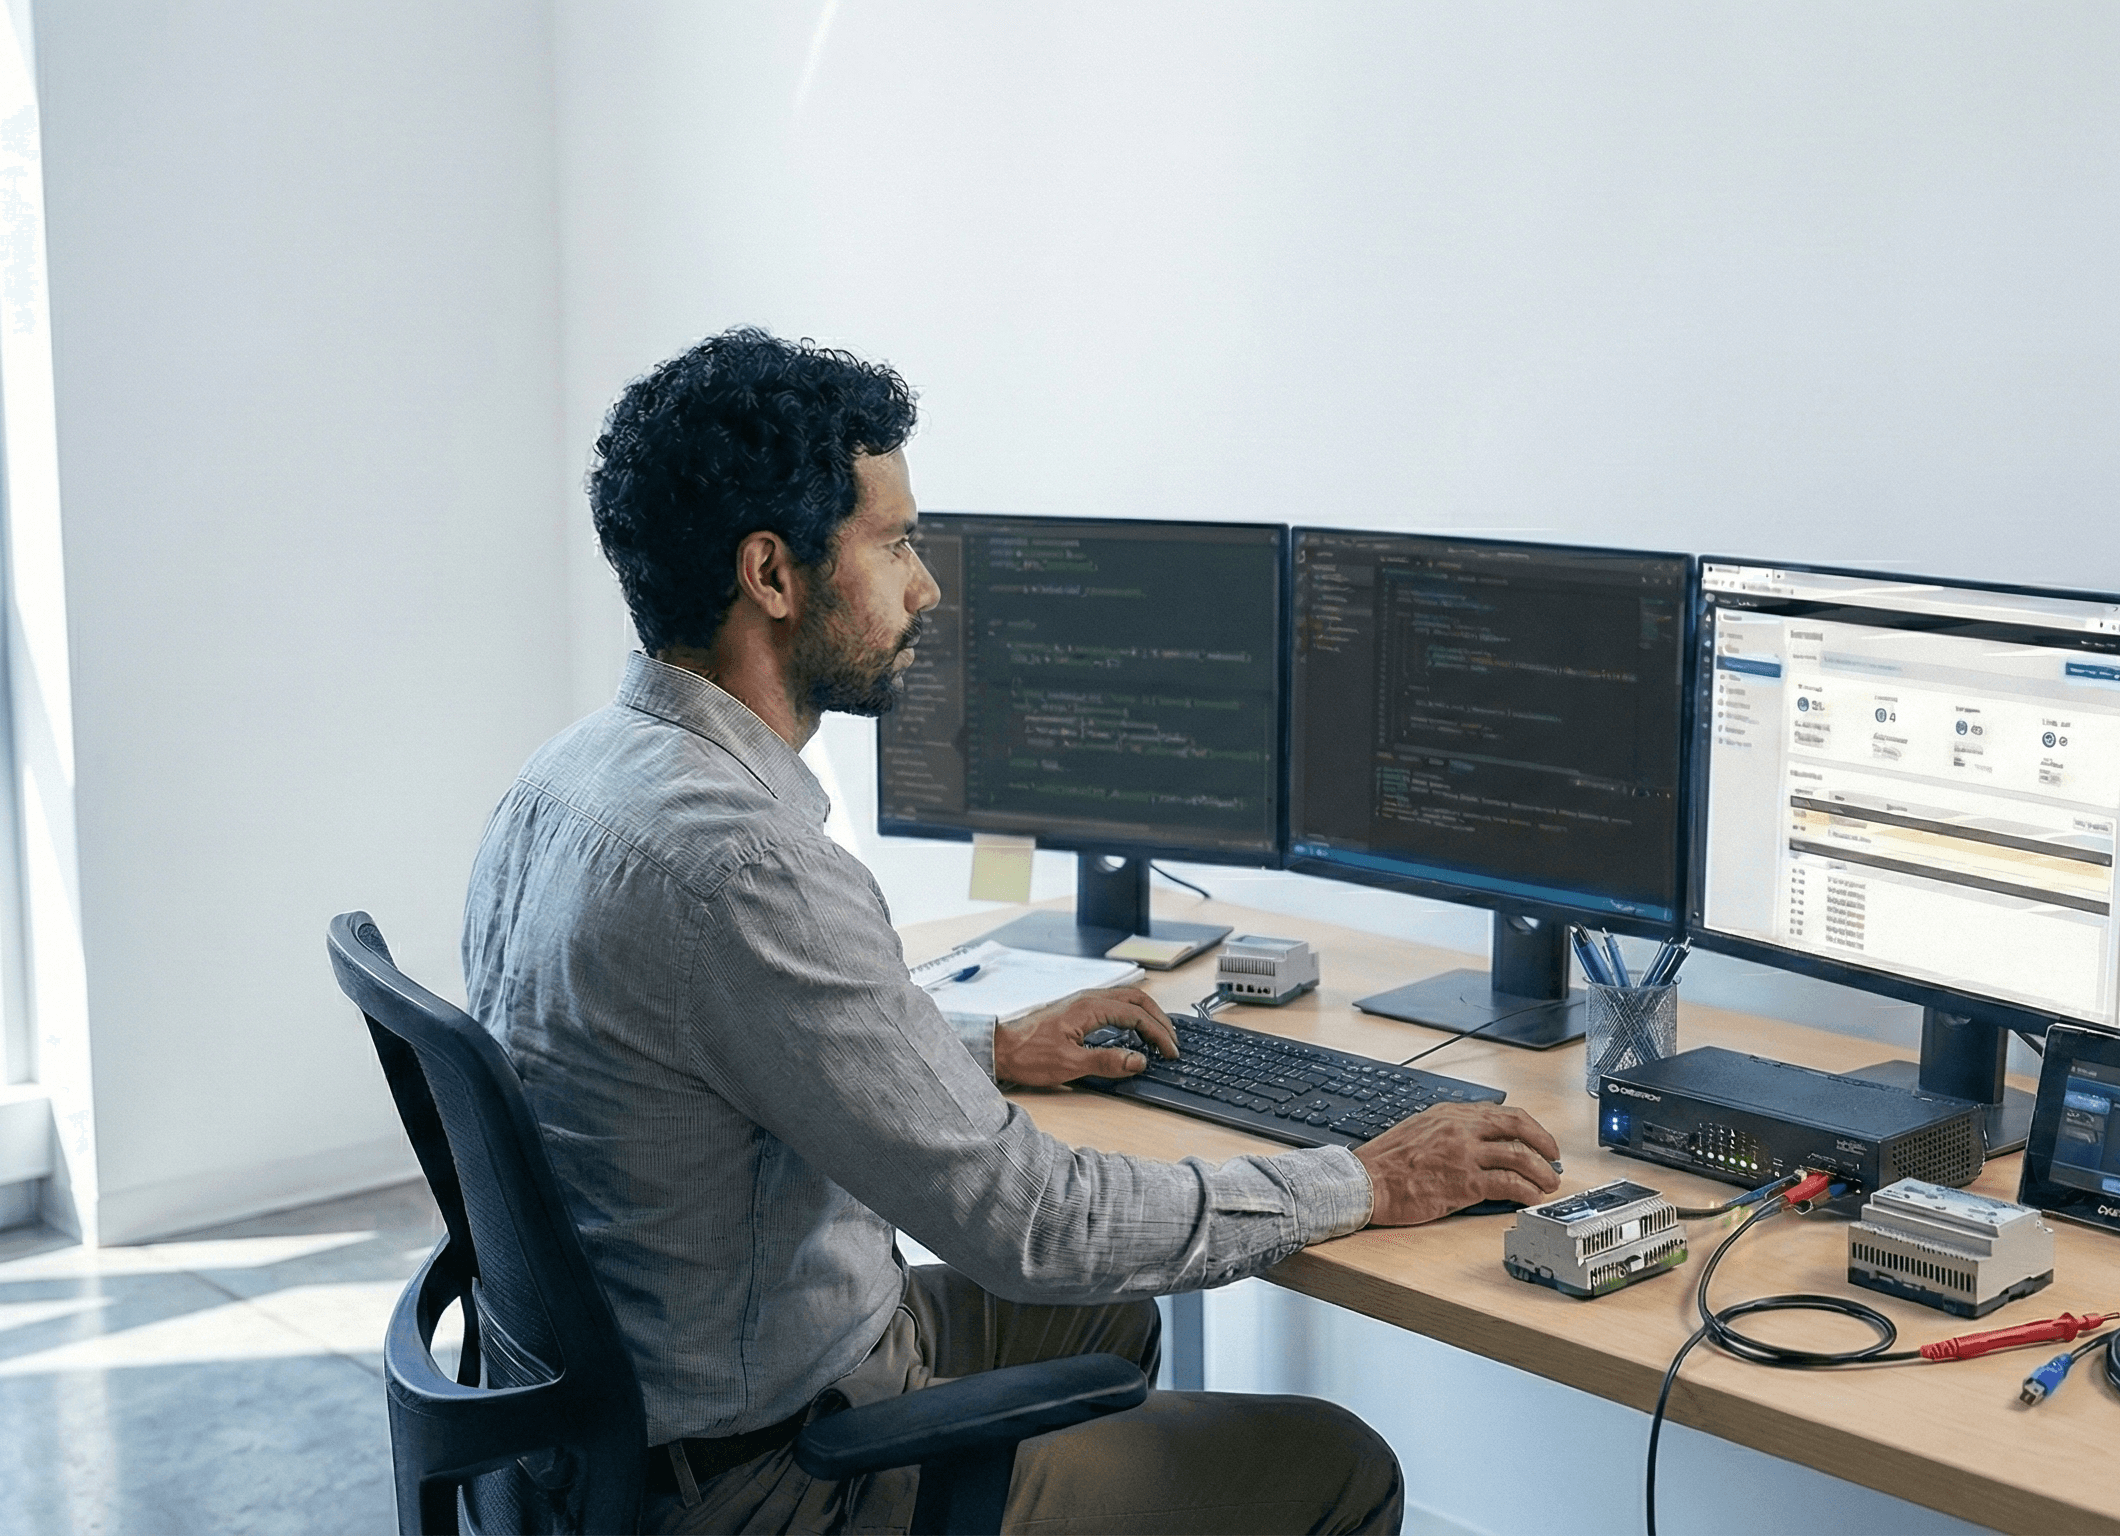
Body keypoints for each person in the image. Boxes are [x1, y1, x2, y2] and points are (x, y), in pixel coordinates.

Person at [463, 327, 1564, 1534]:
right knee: (1338, 1466)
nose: (926, 587)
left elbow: (712, 1051)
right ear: (771, 576)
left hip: (603, 1438)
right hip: (763, 1481)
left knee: (1116, 1324)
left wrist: (985, 1049)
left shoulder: (566, 781)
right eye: (894, 545)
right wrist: (1365, 1177)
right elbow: (1036, 1227)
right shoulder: (749, 869)